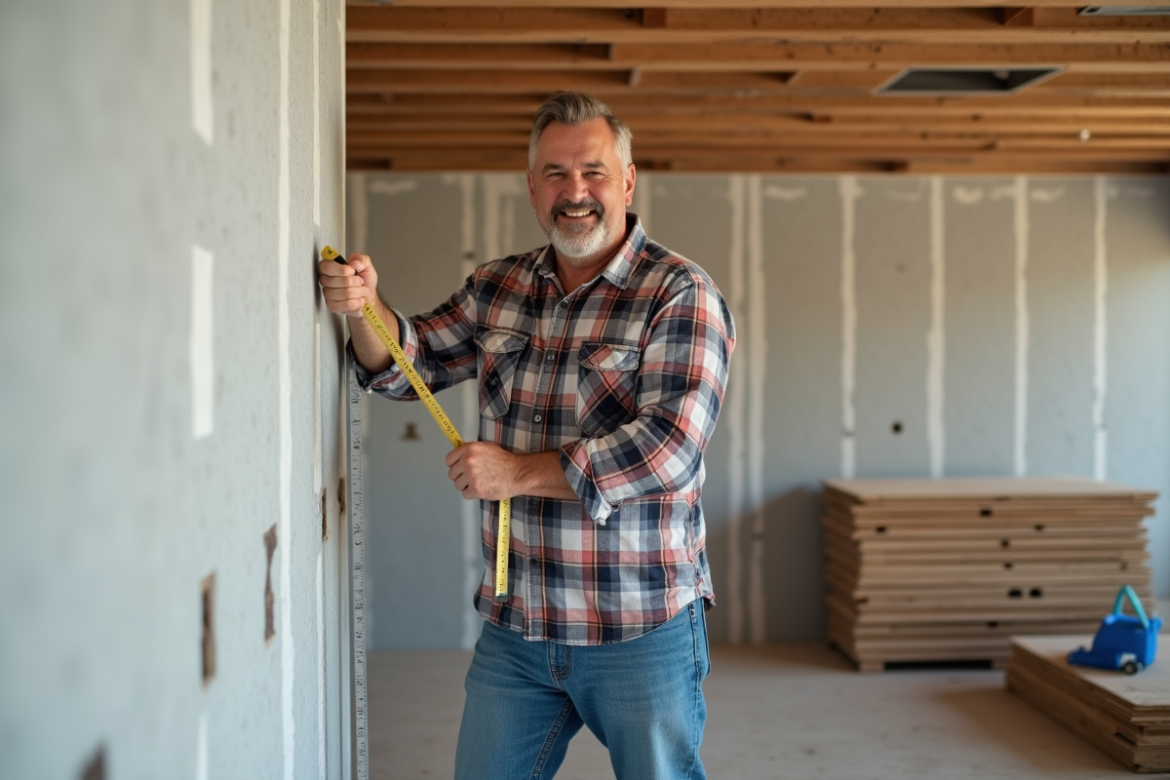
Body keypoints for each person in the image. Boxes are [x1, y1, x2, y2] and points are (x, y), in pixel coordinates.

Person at [318, 92, 735, 780]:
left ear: (628, 181)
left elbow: (669, 450)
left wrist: (516, 474)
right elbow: (407, 364)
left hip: (640, 623)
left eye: (594, 172)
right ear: (531, 185)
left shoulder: (679, 292)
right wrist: (365, 308)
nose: (575, 192)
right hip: (520, 625)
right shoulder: (499, 286)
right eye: (555, 173)